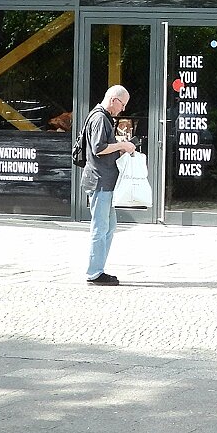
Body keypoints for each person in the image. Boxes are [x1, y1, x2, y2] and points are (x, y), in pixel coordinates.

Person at [81, 84, 136, 286]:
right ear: (114, 100)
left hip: (104, 181)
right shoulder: (100, 118)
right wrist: (123, 145)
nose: (123, 109)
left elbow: (102, 149)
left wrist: (120, 149)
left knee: (109, 226)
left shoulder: (101, 117)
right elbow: (98, 148)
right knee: (101, 227)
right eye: (122, 104)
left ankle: (98, 269)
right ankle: (95, 273)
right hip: (100, 181)